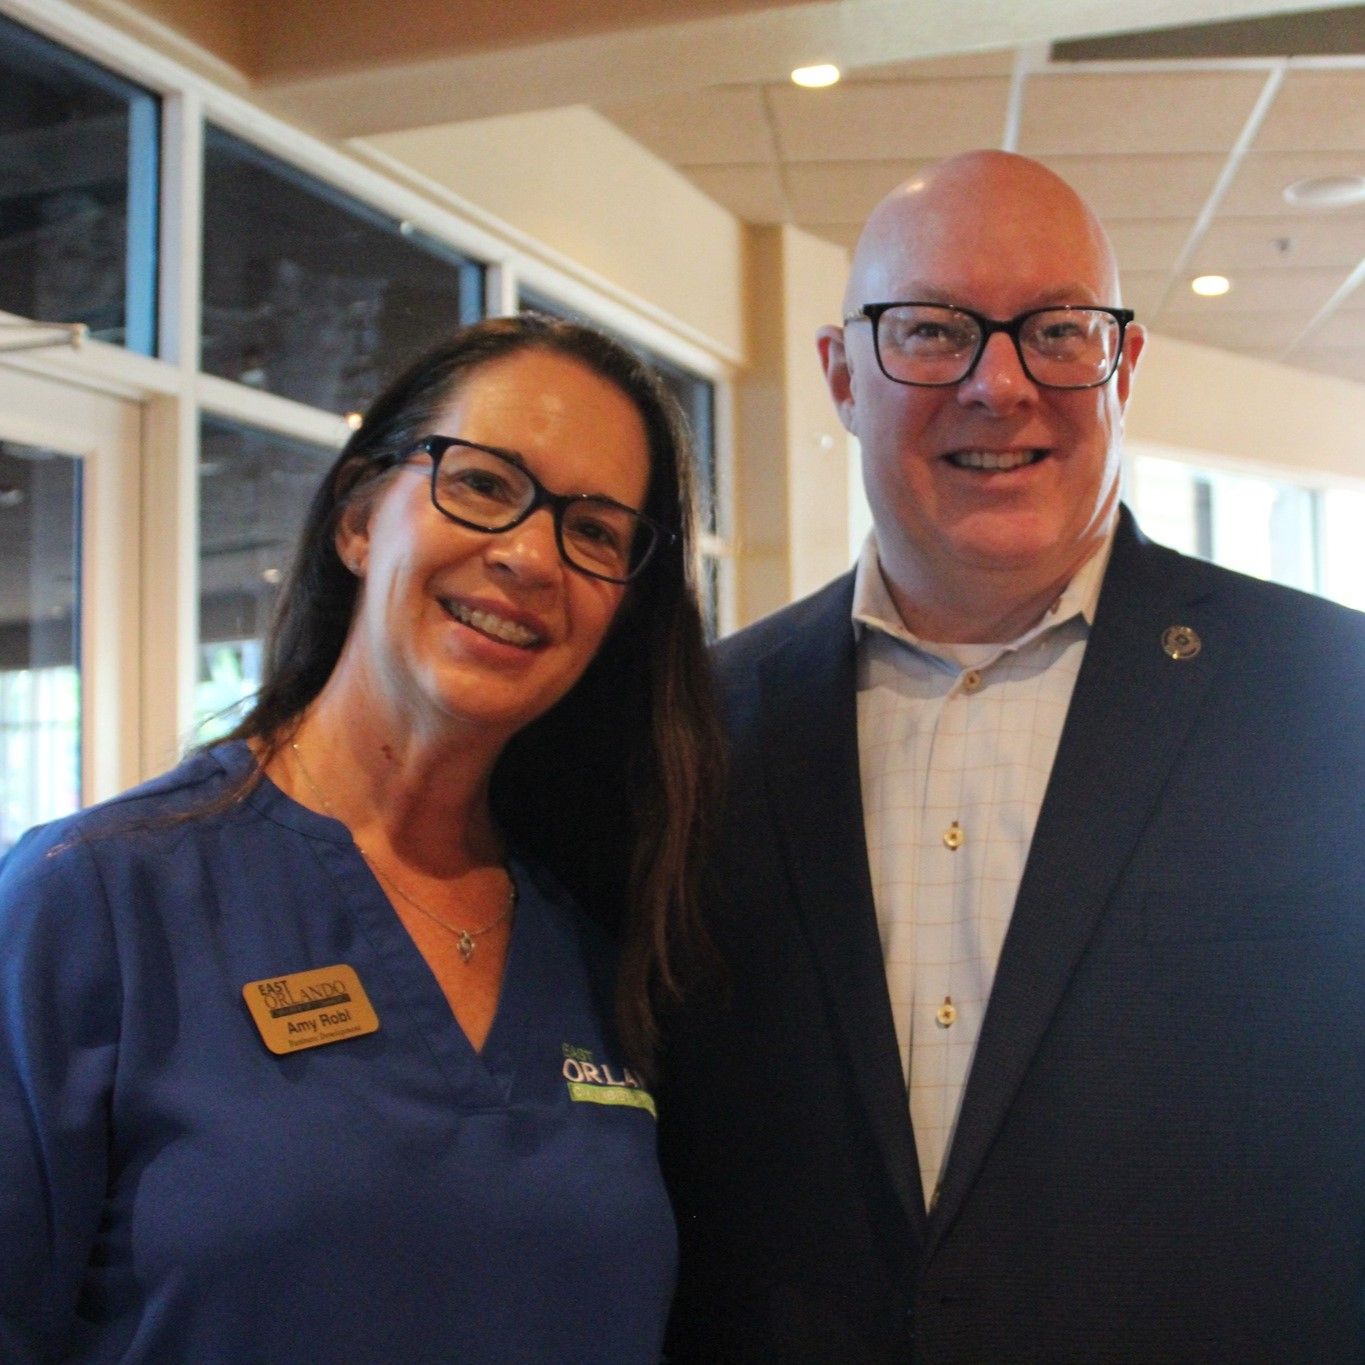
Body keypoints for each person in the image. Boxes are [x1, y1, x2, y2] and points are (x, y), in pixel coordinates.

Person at [660, 150, 1365, 1362]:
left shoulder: (1330, 699)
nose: (999, 385)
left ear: (1123, 366)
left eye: (1056, 331)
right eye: (932, 331)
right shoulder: (703, 734)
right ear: (840, 376)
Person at [0, 313, 721, 1362]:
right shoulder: (97, 904)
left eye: (597, 532)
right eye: (482, 484)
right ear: (357, 517)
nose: (529, 556)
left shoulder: (606, 939)